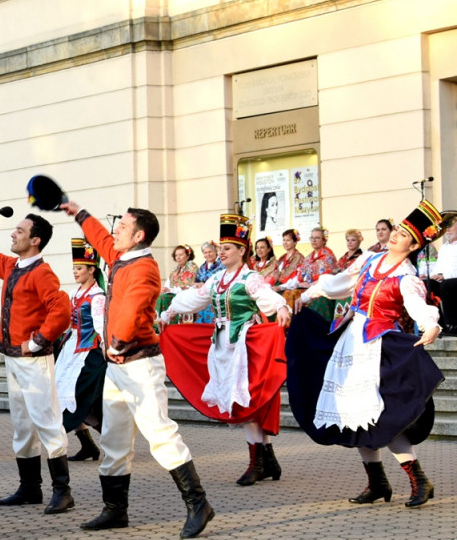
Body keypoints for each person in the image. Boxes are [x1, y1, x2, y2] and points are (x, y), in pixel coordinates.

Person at [61, 201, 214, 539]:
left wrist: (116, 342)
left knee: (159, 432)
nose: (115, 229)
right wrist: (78, 213)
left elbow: (132, 309)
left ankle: (198, 503)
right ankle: (115, 510)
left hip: (138, 363)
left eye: (123, 227)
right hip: (119, 366)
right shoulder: (121, 257)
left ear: (139, 235)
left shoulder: (144, 268)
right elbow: (102, 239)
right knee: (115, 440)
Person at [286, 200, 448, 509]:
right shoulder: (371, 260)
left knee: (381, 415)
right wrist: (308, 294)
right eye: (396, 230)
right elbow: (341, 282)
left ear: (413, 244)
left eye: (402, 234)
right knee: (351, 413)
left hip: (379, 347)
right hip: (350, 340)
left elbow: (418, 307)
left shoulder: (407, 277)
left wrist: (431, 325)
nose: (396, 235)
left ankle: (420, 480)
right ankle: (377, 482)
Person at [159, 213, 292, 485]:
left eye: (227, 248)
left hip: (246, 346)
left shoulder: (250, 278)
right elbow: (195, 299)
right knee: (243, 404)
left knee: (248, 403)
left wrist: (281, 306)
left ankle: (257, 464)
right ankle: (267, 461)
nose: (222, 252)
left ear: (242, 251)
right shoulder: (217, 279)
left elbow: (266, 296)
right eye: (220, 248)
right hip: (222, 346)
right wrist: (170, 311)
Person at [0, 214, 74, 515]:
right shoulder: (12, 267)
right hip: (12, 358)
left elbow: (62, 310)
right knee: (21, 426)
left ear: (35, 240)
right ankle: (30, 487)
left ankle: (63, 491)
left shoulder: (42, 273)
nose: (13, 233)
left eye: (20, 230)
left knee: (46, 422)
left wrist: (37, 341)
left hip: (33, 360)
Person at [55, 238, 106, 462]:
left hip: (89, 352)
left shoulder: (97, 297)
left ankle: (116, 441)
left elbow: (100, 325)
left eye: (79, 268)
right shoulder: (76, 294)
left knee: (82, 398)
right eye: (74, 268)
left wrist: (105, 347)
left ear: (91, 270)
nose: (75, 272)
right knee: (65, 395)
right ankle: (88, 446)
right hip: (71, 350)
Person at [282, 227, 337, 319]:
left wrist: (311, 284)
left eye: (317, 238)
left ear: (324, 240)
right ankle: (287, 326)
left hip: (320, 290)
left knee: (293, 294)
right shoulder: (308, 258)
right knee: (289, 292)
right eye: (312, 238)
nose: (314, 240)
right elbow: (299, 277)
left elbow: (328, 278)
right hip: (306, 288)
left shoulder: (328, 257)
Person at [156, 244, 199, 325]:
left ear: (187, 255)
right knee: (158, 296)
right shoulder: (176, 270)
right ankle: (157, 323)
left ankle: (166, 324)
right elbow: (168, 284)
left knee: (163, 298)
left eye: (181, 255)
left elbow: (188, 285)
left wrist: (170, 290)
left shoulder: (192, 267)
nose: (178, 257)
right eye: (176, 255)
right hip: (174, 293)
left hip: (185, 294)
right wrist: (165, 289)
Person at [193, 242, 223, 324]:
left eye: (210, 252)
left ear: (215, 252)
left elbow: (220, 278)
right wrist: (197, 284)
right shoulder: (203, 266)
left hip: (215, 293)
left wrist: (205, 284)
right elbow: (197, 280)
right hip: (203, 293)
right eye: (205, 253)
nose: (208, 254)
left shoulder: (221, 263)